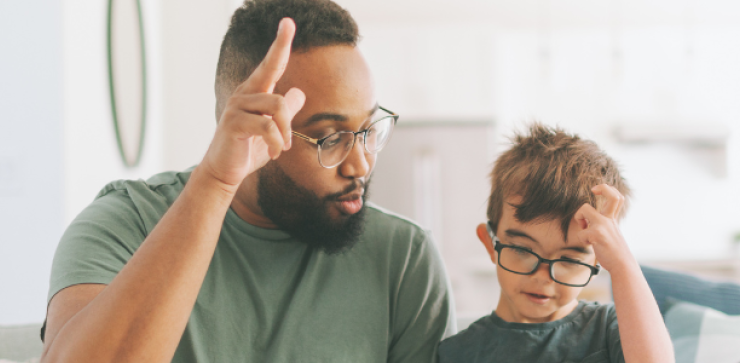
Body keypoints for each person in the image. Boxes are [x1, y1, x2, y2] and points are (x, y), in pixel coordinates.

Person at [39, 1, 454, 362]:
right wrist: (217, 181)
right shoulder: (125, 225)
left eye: (368, 131)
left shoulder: (403, 259)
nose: (361, 165)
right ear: (246, 128)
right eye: (330, 138)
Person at [438, 124, 673, 363]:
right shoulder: (455, 353)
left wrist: (623, 265)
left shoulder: (614, 329)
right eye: (522, 250)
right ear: (490, 244)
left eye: (569, 259)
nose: (542, 277)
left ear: (597, 262)